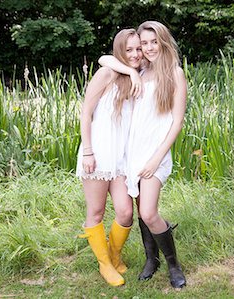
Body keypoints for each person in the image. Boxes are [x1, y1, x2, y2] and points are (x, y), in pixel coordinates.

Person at [98, 20, 187, 288]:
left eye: (152, 42)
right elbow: (105, 59)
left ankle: (173, 264)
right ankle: (152, 259)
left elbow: (177, 123)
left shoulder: (174, 73)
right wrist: (132, 72)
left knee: (148, 212)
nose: (148, 48)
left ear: (163, 41)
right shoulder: (139, 70)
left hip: (155, 154)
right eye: (144, 43)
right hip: (131, 153)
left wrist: (156, 158)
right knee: (139, 211)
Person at [76, 29, 143, 287]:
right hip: (99, 152)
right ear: (119, 51)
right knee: (96, 211)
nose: (135, 54)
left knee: (126, 212)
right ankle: (104, 264)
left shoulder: (135, 76)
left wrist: (133, 71)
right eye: (129, 50)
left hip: (121, 157)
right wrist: (89, 151)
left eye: (138, 49)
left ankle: (114, 255)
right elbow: (86, 113)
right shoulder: (106, 73)